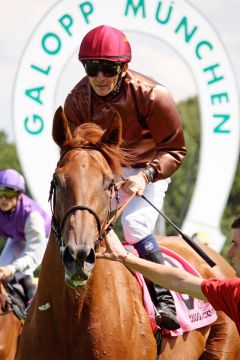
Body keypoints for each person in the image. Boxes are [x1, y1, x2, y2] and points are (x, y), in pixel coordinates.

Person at [64, 25, 187, 330]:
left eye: (109, 68)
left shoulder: (153, 96)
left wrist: (146, 176)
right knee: (76, 221)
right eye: (93, 69)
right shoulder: (76, 101)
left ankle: (164, 298)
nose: (100, 77)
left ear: (124, 67)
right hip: (105, 170)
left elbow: (175, 149)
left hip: (150, 166)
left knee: (133, 225)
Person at [96, 217, 240, 335]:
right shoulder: (232, 289)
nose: (229, 252)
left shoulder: (234, 290)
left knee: (133, 222)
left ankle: (165, 300)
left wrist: (146, 179)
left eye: (236, 245)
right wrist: (124, 257)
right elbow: (179, 281)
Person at [0, 169, 51, 302]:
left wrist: (12, 268)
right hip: (17, 238)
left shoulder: (32, 216)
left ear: (19, 195)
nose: (4, 199)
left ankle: (33, 315)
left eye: (9, 193)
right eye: (0, 193)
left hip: (43, 239)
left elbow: (32, 254)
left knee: (22, 272)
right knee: (1, 269)